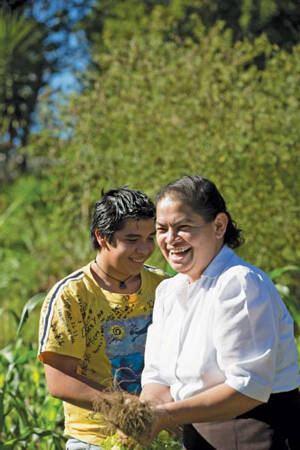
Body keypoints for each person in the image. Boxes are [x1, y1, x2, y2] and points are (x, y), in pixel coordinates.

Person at [140, 175, 300, 450]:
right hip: (197, 434)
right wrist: (142, 414)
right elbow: (157, 377)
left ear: (218, 225)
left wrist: (166, 415)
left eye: (183, 227)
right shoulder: (168, 292)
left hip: (252, 434)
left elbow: (248, 388)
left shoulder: (240, 283)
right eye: (162, 229)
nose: (170, 239)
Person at [38, 187, 167, 449]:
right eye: (132, 239)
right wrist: (128, 409)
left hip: (159, 435)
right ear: (102, 237)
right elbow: (59, 379)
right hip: (95, 439)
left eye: (150, 237)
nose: (144, 249)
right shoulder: (71, 295)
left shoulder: (163, 285)